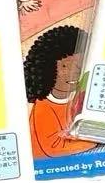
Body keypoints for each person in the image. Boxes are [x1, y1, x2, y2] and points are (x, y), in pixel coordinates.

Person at [24, 25, 97, 158]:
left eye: (79, 65)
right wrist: (96, 139)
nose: (75, 72)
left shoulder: (78, 97)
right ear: (47, 69)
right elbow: (53, 148)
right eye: (65, 66)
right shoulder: (44, 107)